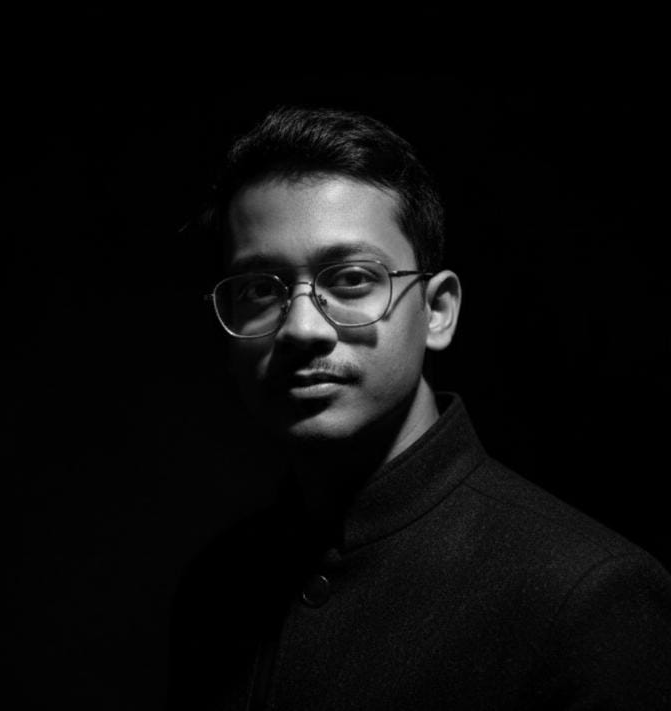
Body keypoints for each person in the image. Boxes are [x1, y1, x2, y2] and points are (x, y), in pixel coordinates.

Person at [166, 107, 671, 710]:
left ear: (438, 312)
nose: (301, 328)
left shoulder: (586, 595)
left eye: (351, 279)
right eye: (258, 289)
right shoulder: (216, 588)